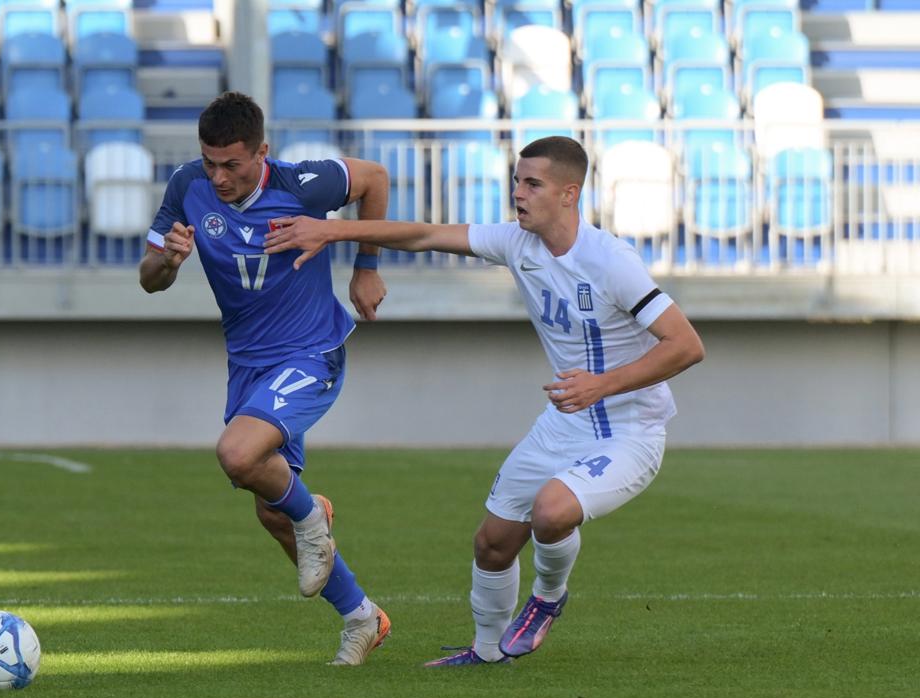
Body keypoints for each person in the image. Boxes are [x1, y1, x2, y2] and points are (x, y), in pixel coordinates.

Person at [263, 135, 706, 666]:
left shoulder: (612, 262)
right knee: (492, 543)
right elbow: (424, 234)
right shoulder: (516, 242)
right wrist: (336, 231)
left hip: (632, 430)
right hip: (565, 422)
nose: (518, 193)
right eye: (516, 180)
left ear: (570, 194)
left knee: (551, 511)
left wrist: (600, 385)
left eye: (532, 184)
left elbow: (686, 345)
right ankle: (488, 651)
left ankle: (546, 600)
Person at [138, 91, 393, 665]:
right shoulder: (186, 187)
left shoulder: (303, 184)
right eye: (210, 163)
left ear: (262, 154)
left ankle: (313, 513)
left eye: (232, 164)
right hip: (249, 366)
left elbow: (375, 178)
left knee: (236, 453)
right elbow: (148, 278)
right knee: (271, 510)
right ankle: (362, 617)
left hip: (311, 352)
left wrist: (367, 268)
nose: (219, 176)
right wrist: (168, 261)